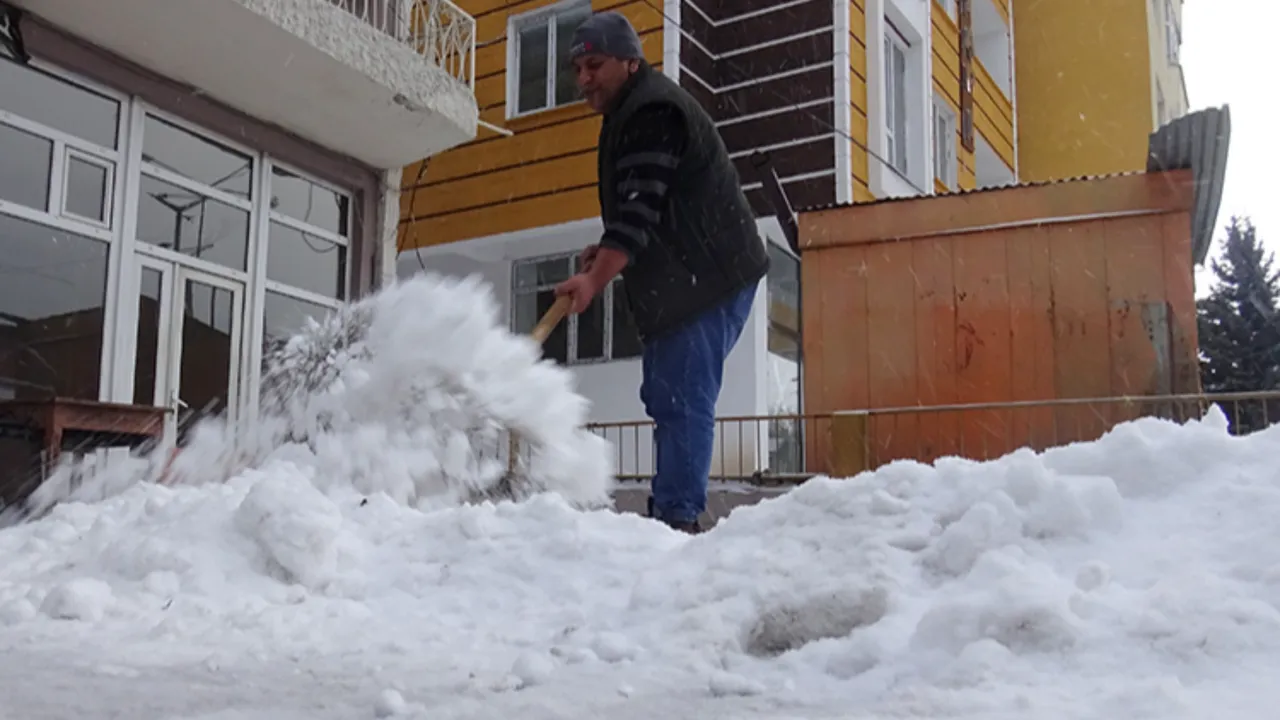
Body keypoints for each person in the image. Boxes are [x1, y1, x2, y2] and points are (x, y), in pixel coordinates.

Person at [553, 11, 770, 534]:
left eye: (594, 66)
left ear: (630, 62)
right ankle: (672, 513)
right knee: (667, 393)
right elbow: (645, 204)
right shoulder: (633, 109)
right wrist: (607, 248)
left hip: (706, 277)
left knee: (681, 397)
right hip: (689, 275)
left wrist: (595, 279)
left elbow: (637, 210)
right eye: (577, 69)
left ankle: (679, 521)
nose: (584, 79)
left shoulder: (652, 110)